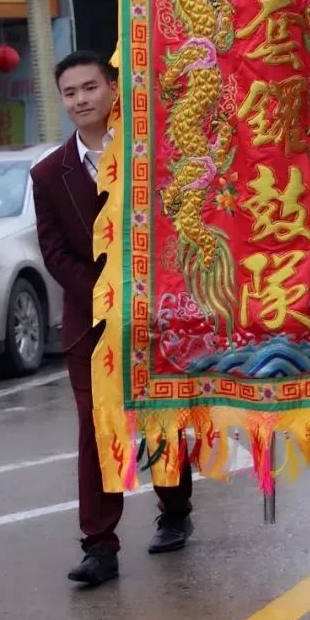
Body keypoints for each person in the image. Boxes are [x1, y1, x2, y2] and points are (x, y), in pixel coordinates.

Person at [31, 50, 194, 589]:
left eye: (90, 88)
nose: (81, 100)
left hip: (155, 312)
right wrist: (104, 296)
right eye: (70, 92)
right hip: (89, 323)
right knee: (94, 426)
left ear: (114, 88)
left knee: (160, 414)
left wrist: (151, 292)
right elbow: (54, 252)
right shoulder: (48, 174)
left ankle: (174, 508)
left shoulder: (148, 153)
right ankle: (99, 544)